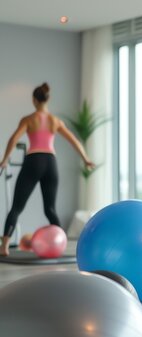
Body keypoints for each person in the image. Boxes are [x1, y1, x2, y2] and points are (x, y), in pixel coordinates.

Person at [1, 83, 94, 256]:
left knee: (16, 207)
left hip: (34, 160)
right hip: (51, 162)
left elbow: (13, 139)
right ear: (47, 99)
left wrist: (5, 159)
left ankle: (4, 246)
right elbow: (75, 141)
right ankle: (63, 246)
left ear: (34, 100)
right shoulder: (55, 121)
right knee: (50, 209)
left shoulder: (28, 119)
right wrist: (86, 159)